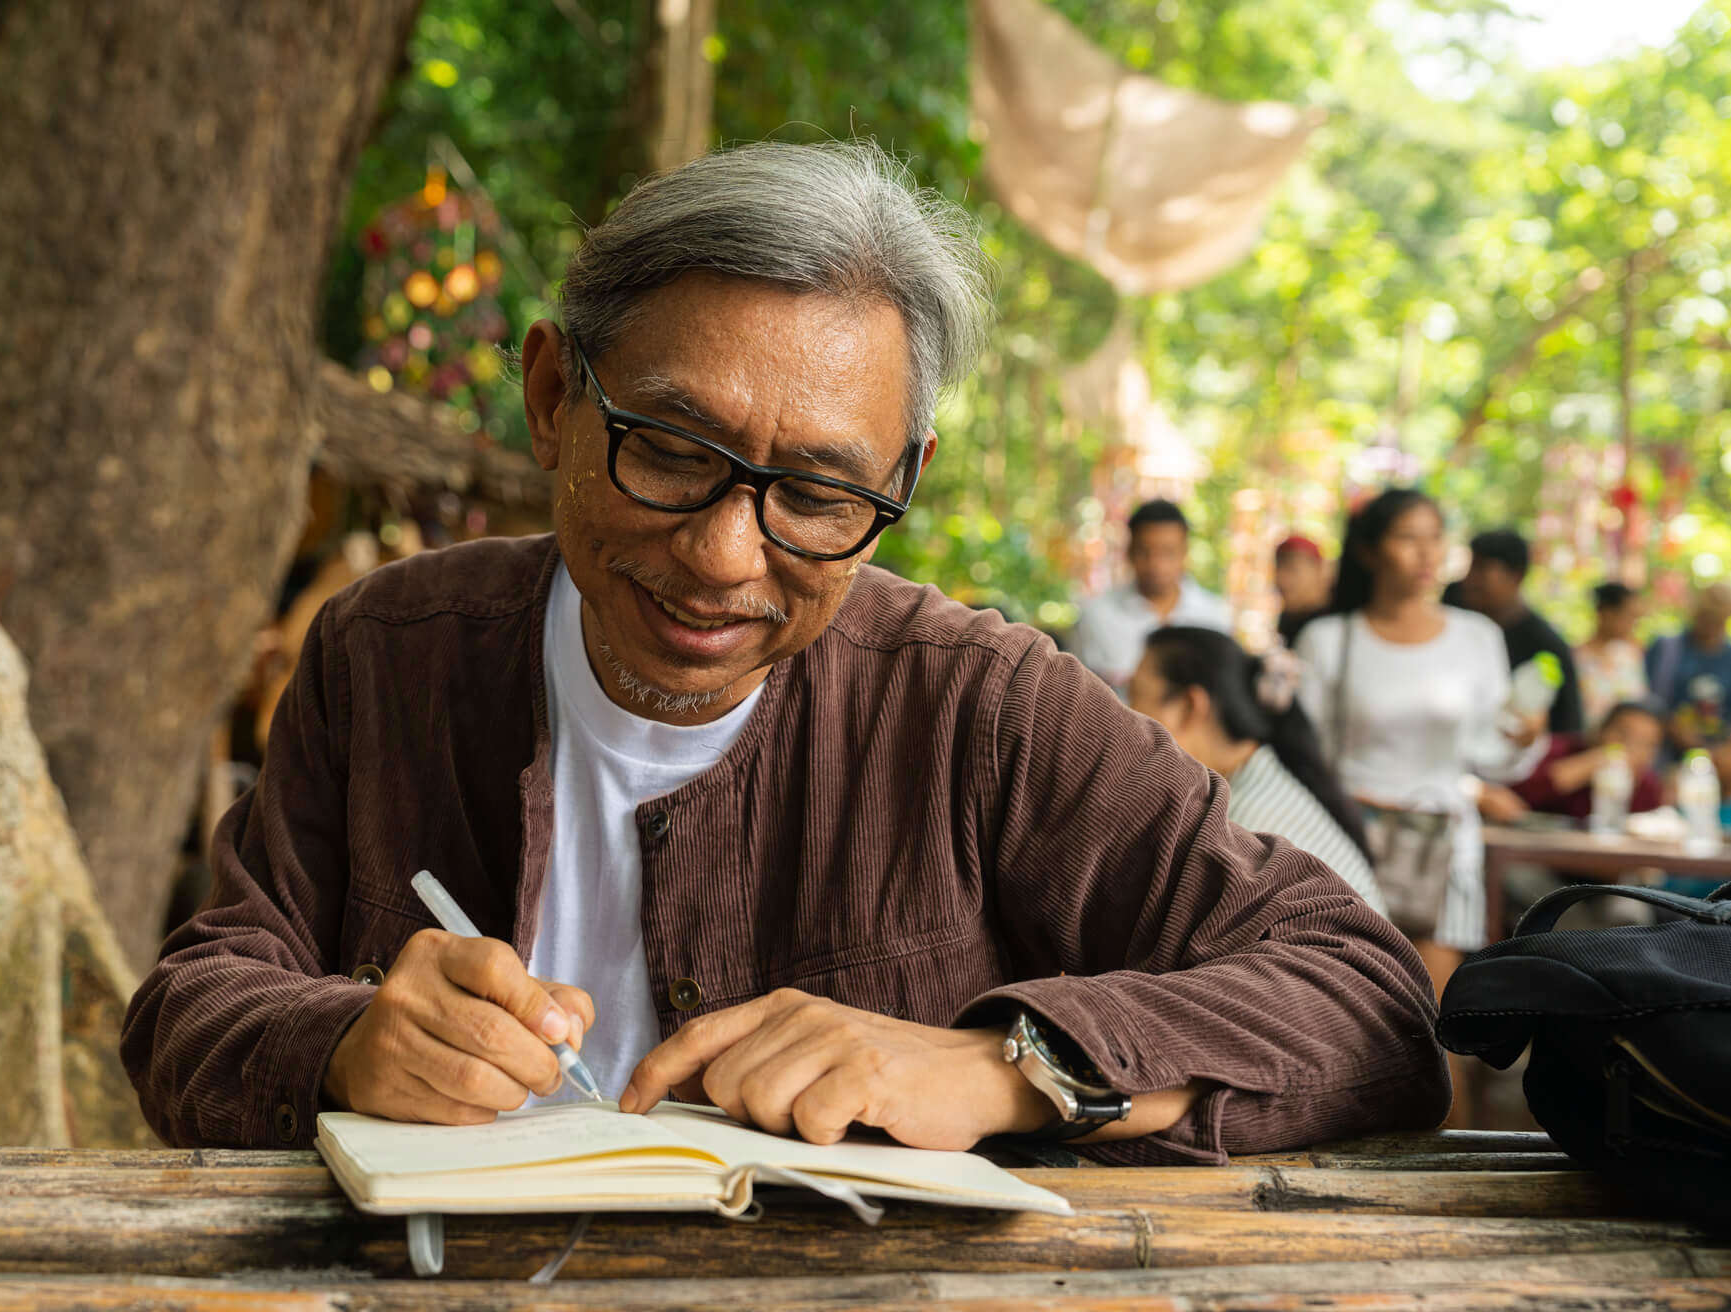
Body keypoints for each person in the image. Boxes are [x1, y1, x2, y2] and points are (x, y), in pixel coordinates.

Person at [122, 141, 1445, 1164]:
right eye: (674, 453)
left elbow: (1366, 998)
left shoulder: (978, 707)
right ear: (550, 401)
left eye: (817, 492)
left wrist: (1000, 1067)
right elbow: (189, 1004)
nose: (723, 555)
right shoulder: (391, 655)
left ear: (904, 480)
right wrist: (347, 1040)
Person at [1292, 488, 1540, 1125]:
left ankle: (1446, 1169)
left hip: (1443, 844)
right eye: (1408, 536)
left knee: (1434, 1017)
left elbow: (1491, 755)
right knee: (1342, 1010)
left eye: (1436, 536)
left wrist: (1521, 744)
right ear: (1372, 550)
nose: (1427, 552)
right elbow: (1306, 755)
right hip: (1346, 843)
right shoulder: (1327, 639)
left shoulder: (1476, 637)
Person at [1128, 627, 1383, 913]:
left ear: (1189, 706)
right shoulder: (1263, 780)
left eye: (1135, 696)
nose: (1127, 717)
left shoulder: (1236, 830)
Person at [1072, 500, 1233, 692]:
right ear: (1129, 552)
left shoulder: (1213, 617)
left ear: (1184, 553)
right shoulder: (1096, 616)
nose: (1156, 564)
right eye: (1144, 551)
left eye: (1168, 552)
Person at [1443, 528, 1584, 736]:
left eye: (1482, 569)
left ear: (1515, 576)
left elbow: (1567, 726)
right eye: (1470, 568)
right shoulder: (1452, 610)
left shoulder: (1545, 645)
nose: (1469, 580)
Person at [1510, 701, 1665, 821]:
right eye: (1623, 735)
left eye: (1645, 744)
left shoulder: (1647, 785)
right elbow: (1516, 795)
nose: (1630, 748)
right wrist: (1586, 766)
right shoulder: (1559, 750)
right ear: (1600, 730)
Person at [1646, 581, 1731, 762]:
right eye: (1705, 615)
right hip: (1667, 753)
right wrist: (1672, 727)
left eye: (1716, 617)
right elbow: (1646, 700)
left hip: (1721, 758)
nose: (1710, 622)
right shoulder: (1666, 648)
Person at [1573, 582, 1649, 730]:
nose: (1633, 624)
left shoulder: (1630, 657)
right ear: (1607, 613)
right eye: (1629, 616)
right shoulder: (1576, 659)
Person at [1273, 535, 1331, 649]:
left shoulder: (1333, 626)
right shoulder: (1289, 619)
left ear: (1319, 570)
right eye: (1278, 568)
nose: (1281, 580)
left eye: (1291, 568)